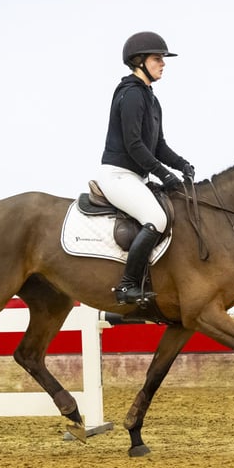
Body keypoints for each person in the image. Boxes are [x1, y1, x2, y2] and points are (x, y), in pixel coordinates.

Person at [98, 31, 195, 305]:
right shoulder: (131, 95)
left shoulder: (151, 98)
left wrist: (181, 164)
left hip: (135, 176)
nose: (163, 63)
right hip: (117, 174)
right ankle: (127, 286)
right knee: (158, 219)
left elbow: (159, 145)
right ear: (139, 61)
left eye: (162, 59)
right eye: (157, 59)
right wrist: (164, 174)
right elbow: (134, 145)